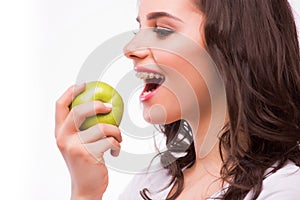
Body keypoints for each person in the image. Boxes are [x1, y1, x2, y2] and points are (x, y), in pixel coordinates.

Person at [55, 0, 300, 199]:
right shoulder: (152, 182)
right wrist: (86, 192)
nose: (130, 48)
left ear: (235, 43)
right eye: (139, 29)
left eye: (162, 30)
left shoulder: (284, 190)